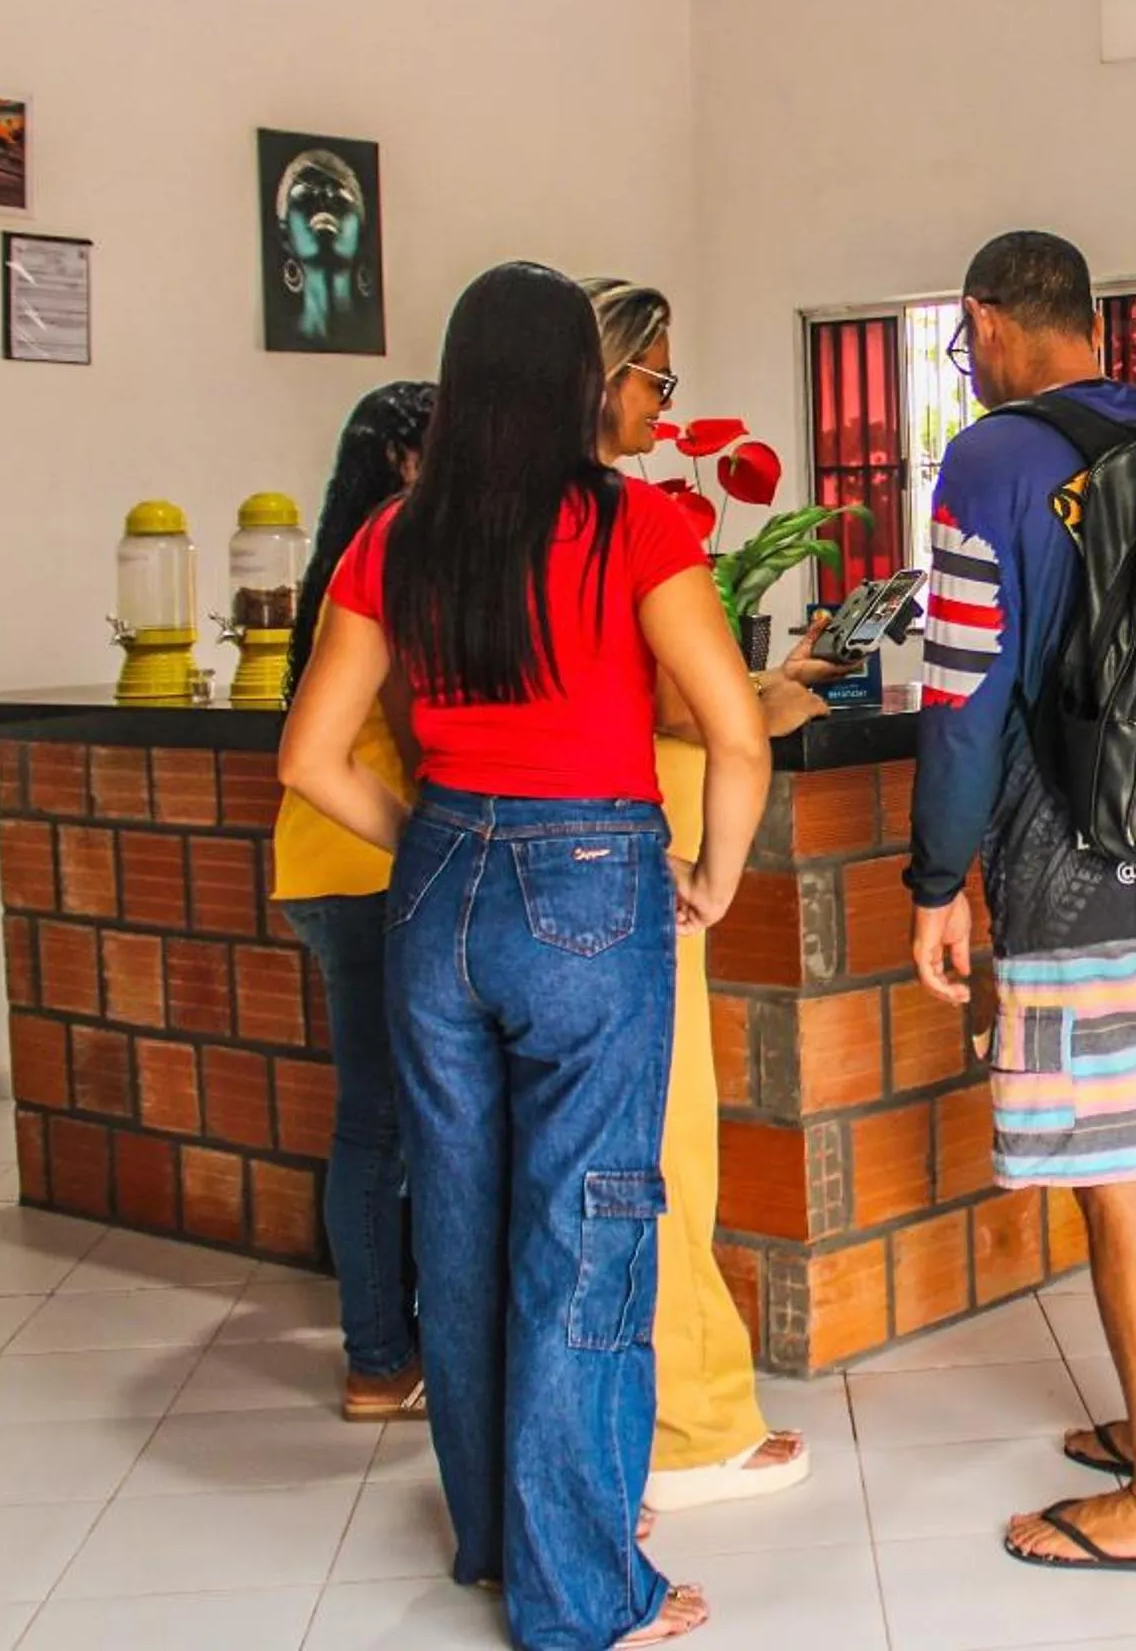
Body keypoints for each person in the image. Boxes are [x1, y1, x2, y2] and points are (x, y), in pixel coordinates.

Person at [282, 261, 767, 1648]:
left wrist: (437, 838)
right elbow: (733, 732)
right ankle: (584, 1595)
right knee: (590, 1227)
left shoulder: (395, 535)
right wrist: (712, 877)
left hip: (438, 886)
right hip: (592, 886)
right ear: (574, 381)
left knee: (464, 1220)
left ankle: (501, 1542)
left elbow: (311, 759)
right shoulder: (634, 524)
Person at [906, 231, 1136, 1578]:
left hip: (1075, 864)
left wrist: (939, 877)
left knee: (1116, 1171)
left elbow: (960, 696)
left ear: (988, 319)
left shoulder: (991, 458)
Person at [583, 277, 825, 1511]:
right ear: (603, 378)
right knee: (660, 1149)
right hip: (635, 867)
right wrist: (718, 876)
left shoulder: (437, 522)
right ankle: (687, 1425)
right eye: (656, 380)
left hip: (478, 872)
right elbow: (707, 719)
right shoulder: (629, 524)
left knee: (542, 1168)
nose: (666, 402)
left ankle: (563, 1449)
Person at [272, 381, 436, 1425]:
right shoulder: (392, 558)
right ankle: (380, 1356)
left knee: (379, 1119)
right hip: (376, 860)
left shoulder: (337, 562)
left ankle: (390, 1342)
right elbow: (420, 729)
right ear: (407, 462)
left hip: (326, 867)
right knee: (381, 1123)